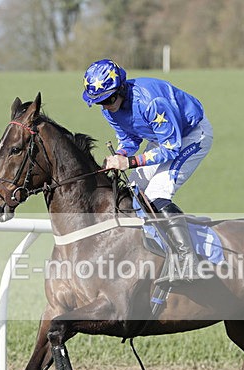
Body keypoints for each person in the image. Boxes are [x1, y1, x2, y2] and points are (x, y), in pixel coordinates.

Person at [82, 58, 213, 284]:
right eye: (100, 102)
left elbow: (171, 148)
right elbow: (129, 139)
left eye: (109, 99)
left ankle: (189, 261)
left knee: (156, 194)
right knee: (133, 192)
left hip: (191, 136)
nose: (107, 105)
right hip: (161, 140)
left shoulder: (152, 102)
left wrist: (131, 162)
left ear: (121, 88)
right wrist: (121, 156)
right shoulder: (109, 110)